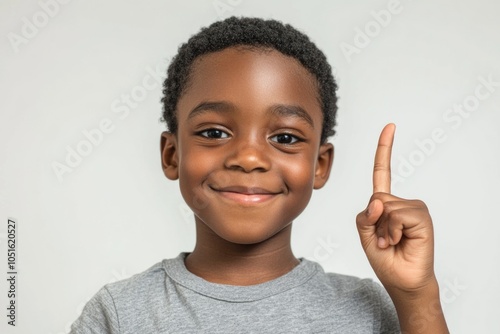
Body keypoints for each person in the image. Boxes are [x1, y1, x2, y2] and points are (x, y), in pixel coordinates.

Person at [70, 17, 449, 333]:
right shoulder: (118, 314)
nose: (249, 158)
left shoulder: (375, 312)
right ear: (172, 154)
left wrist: (418, 297)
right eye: (214, 133)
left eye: (284, 137)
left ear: (320, 165)